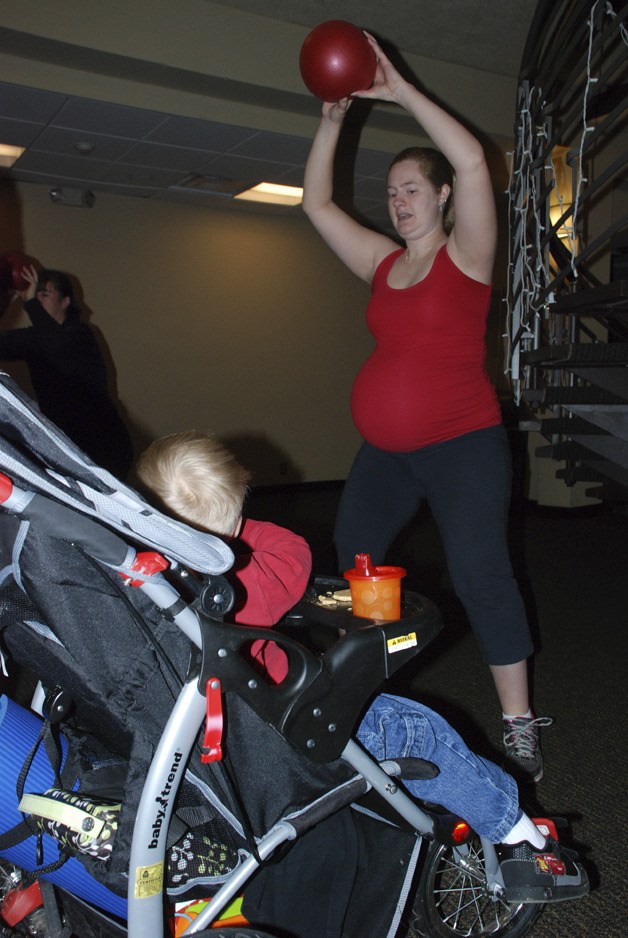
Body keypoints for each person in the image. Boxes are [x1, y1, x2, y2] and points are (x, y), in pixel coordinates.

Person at [136, 430, 589, 905]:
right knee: (419, 732)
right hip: (280, 733)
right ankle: (521, 837)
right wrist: (233, 534)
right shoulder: (244, 581)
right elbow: (293, 552)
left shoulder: (137, 584)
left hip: (190, 741)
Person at [301, 33, 550, 781]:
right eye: (391, 192)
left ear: (441, 196)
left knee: (480, 574)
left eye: (412, 189)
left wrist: (397, 87)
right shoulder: (383, 264)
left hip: (462, 442)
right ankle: (366, 701)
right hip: (387, 453)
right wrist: (333, 120)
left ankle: (519, 723)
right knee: (355, 561)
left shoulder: (467, 257)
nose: (398, 201)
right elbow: (316, 203)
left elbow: (472, 159)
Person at [0, 264, 133, 478]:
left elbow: (58, 348)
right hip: (66, 446)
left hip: (104, 445)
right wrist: (6, 302)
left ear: (65, 301)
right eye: (35, 294)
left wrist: (32, 304)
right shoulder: (34, 339)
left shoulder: (80, 334)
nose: (37, 298)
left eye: (44, 294)